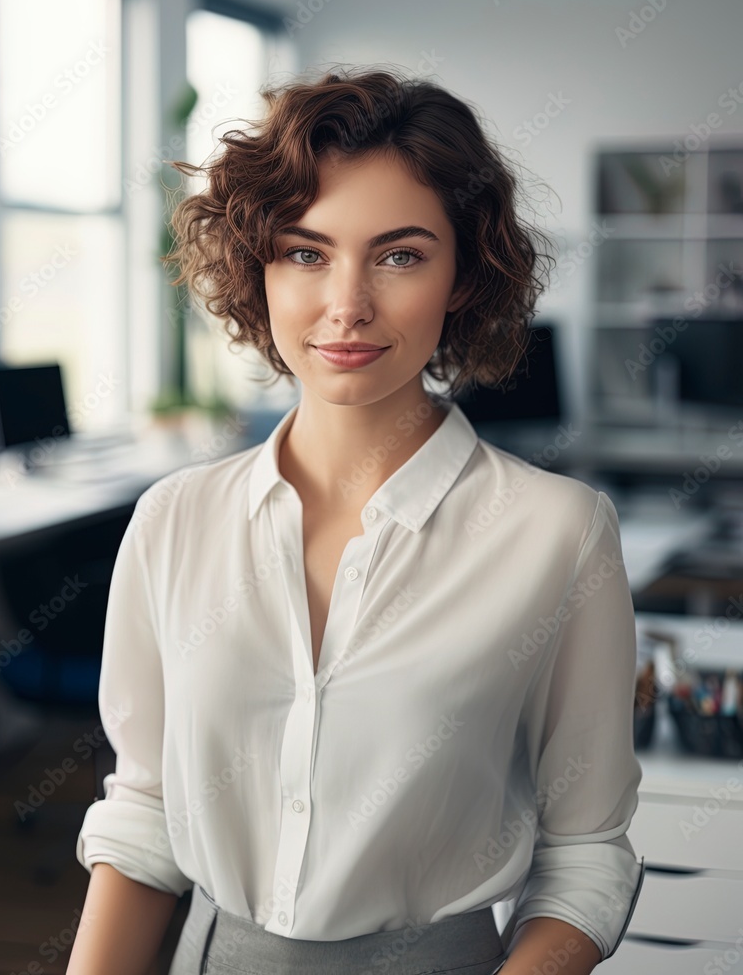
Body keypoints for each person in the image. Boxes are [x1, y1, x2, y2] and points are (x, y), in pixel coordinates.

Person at [67, 65, 645, 975]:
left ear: (462, 274)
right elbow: (144, 817)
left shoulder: (559, 535)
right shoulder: (173, 521)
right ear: (258, 269)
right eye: (305, 251)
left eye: (400, 255)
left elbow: (586, 853)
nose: (347, 305)